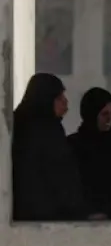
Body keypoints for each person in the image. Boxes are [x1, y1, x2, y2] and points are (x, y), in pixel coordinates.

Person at [12, 73, 87, 221]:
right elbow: (60, 177)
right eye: (59, 98)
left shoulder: (16, 124)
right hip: (48, 217)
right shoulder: (48, 130)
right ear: (46, 99)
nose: (65, 102)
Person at [65, 86, 111, 220]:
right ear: (91, 114)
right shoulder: (74, 145)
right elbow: (71, 186)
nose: (109, 119)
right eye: (104, 114)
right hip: (82, 219)